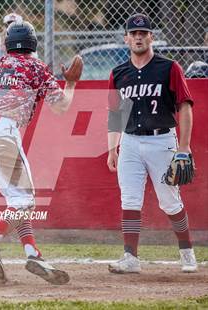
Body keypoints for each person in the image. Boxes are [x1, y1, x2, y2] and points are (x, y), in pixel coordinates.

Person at [0, 21, 83, 284]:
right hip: (4, 133)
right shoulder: (35, 65)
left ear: (8, 43)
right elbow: (61, 108)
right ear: (33, 44)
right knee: (25, 201)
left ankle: (33, 253)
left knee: (17, 200)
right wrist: (71, 83)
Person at [106, 13, 197, 274]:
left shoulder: (169, 67)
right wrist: (113, 147)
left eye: (143, 33)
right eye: (133, 33)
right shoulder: (118, 73)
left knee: (169, 201)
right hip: (131, 142)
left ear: (151, 37)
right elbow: (115, 114)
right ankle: (130, 257)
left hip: (162, 141)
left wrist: (185, 147)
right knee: (130, 199)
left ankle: (187, 252)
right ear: (126, 39)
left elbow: (185, 106)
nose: (138, 37)